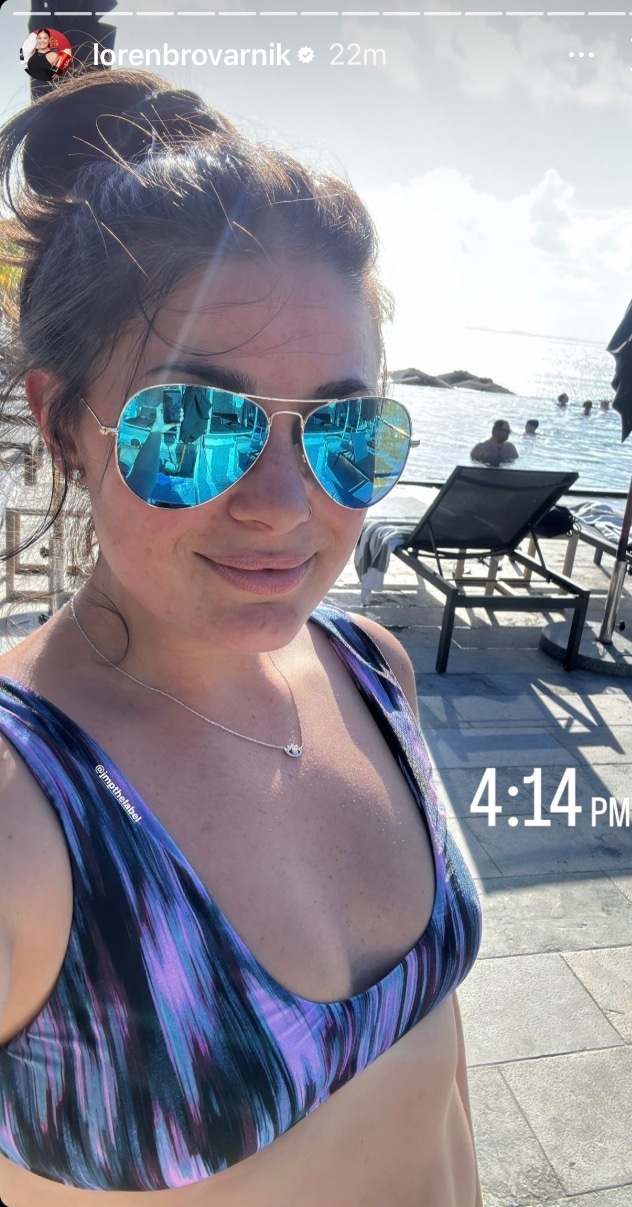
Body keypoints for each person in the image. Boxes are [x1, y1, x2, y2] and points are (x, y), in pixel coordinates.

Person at [0, 72, 483, 1207]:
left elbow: (439, 1074)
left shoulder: (371, 670)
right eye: (192, 425)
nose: (281, 504)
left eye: (344, 429)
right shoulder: (23, 812)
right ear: (63, 424)